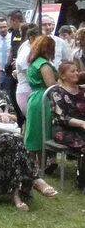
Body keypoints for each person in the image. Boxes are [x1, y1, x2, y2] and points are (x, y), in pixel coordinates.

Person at [0, 56, 54, 210]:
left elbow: (14, 115)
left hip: (5, 133)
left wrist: (7, 117)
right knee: (15, 143)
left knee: (13, 144)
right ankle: (34, 180)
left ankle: (16, 195)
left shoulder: (1, 93)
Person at [49, 61, 85, 190]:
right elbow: (61, 117)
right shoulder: (57, 92)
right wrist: (82, 123)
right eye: (72, 71)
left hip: (81, 129)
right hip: (63, 130)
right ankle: (82, 182)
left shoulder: (81, 90)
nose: (76, 73)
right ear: (63, 76)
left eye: (77, 70)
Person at [24, 35, 58, 159]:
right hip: (43, 99)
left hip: (34, 97)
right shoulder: (44, 65)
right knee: (41, 132)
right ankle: (40, 163)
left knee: (33, 131)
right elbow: (51, 85)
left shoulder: (33, 63)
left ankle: (32, 163)